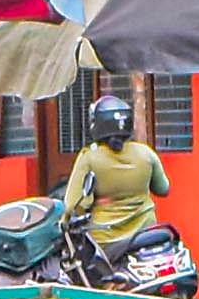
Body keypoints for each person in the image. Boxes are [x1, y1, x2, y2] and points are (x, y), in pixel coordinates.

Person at [62, 99, 170, 253]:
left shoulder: (89, 157)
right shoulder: (146, 153)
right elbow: (163, 188)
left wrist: (64, 221)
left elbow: (75, 205)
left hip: (106, 240)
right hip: (146, 232)